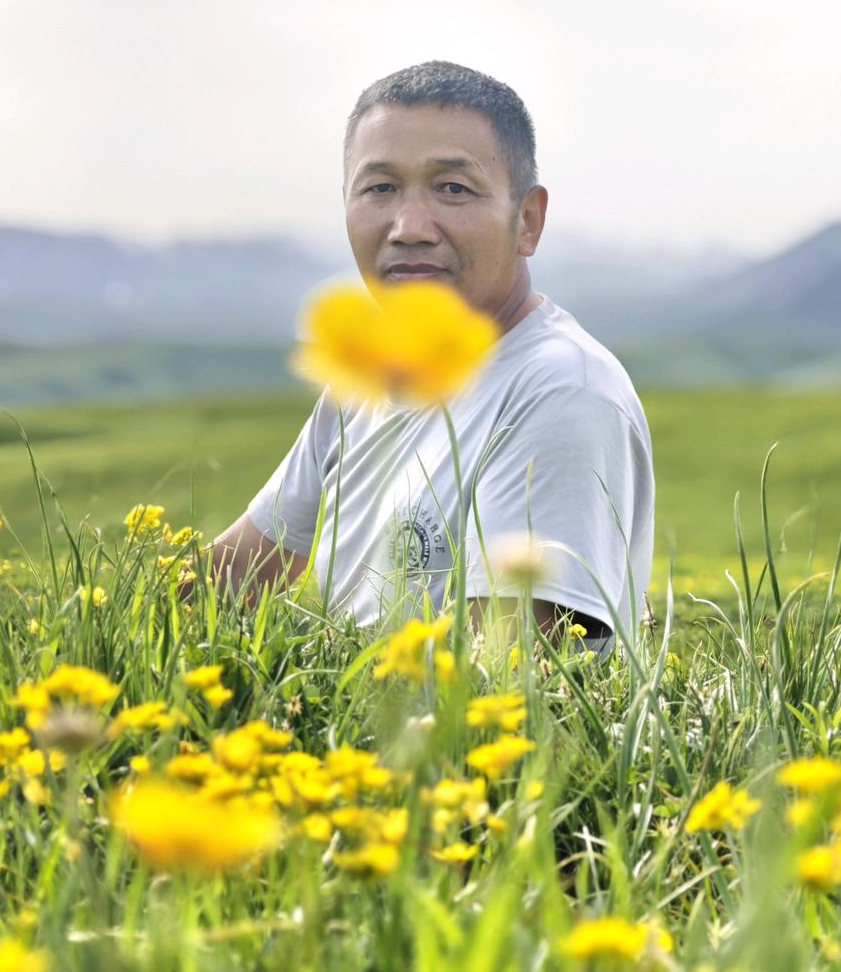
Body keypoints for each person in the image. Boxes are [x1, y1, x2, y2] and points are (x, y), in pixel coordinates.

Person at [212, 60, 654, 658]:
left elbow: (501, 676)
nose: (409, 228)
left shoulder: (560, 390)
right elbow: (227, 581)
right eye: (380, 188)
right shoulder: (367, 382)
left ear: (527, 221)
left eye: (453, 189)